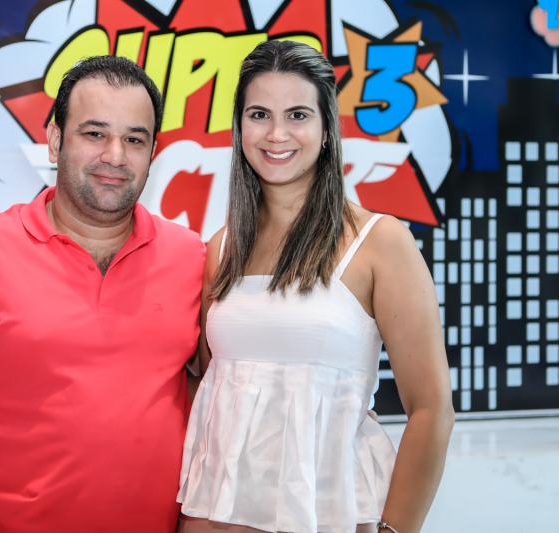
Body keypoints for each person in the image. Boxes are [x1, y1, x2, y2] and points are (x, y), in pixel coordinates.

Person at [0, 56, 205, 533]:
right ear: (54, 140)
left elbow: (214, 388)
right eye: (95, 133)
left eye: (134, 139)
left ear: (153, 152)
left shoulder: (192, 258)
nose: (115, 155)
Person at [176, 41, 454, 533]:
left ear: (327, 130)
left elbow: (432, 411)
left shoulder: (379, 242)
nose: (276, 134)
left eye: (298, 115)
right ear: (239, 128)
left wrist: (395, 529)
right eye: (259, 114)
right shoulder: (221, 248)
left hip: (330, 516)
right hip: (211, 516)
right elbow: (206, 384)